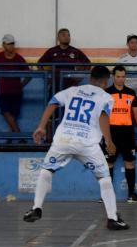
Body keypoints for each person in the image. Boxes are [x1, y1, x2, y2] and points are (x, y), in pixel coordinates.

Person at [23, 66, 129, 230]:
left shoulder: (73, 90)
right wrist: (109, 141)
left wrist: (41, 126)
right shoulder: (106, 96)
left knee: (46, 171)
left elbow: (53, 102)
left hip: (63, 140)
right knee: (104, 178)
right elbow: (102, 116)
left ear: (90, 78)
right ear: (105, 81)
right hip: (87, 144)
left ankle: (36, 207)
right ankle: (112, 218)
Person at [100, 65, 137, 203]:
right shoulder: (106, 93)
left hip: (127, 132)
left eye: (123, 76)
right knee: (109, 163)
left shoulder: (131, 93)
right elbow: (101, 115)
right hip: (111, 131)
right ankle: (106, 196)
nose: (121, 79)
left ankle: (132, 194)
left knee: (130, 162)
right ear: (113, 76)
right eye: (118, 76)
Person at [0, 34, 31, 137]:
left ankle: (10, 138)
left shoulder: (19, 58)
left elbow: (29, 74)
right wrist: (3, 81)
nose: (11, 46)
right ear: (3, 45)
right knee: (5, 112)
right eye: (9, 44)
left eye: (12, 44)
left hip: (16, 92)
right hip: (3, 91)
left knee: (13, 115)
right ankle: (20, 136)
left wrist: (21, 85)